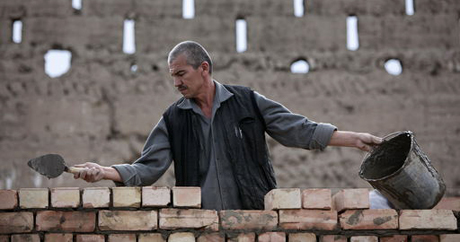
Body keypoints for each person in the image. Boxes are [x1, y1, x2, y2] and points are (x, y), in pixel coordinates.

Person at [74, 41, 382, 210]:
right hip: (201, 224)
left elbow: (298, 129)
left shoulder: (247, 101)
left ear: (203, 68)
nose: (176, 83)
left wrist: (354, 139)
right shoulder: (173, 119)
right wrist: (104, 171)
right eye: (172, 76)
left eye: (181, 74)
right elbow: (146, 168)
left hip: (255, 219)